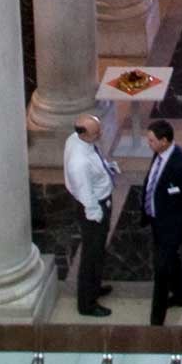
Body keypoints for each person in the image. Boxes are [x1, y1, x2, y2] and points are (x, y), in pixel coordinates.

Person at [141, 120, 182, 326]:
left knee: (161, 271)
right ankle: (180, 296)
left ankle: (156, 320)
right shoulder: (160, 154)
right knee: (171, 261)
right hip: (158, 221)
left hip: (172, 227)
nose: (148, 143)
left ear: (164, 141)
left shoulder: (180, 164)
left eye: (151, 140)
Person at [63, 114, 117, 318]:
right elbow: (85, 193)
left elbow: (94, 164)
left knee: (97, 253)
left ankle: (94, 287)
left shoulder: (77, 140)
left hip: (96, 202)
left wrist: (106, 170)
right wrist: (97, 215)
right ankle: (87, 304)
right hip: (93, 209)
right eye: (96, 133)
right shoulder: (79, 162)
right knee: (91, 256)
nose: (100, 134)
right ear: (83, 133)